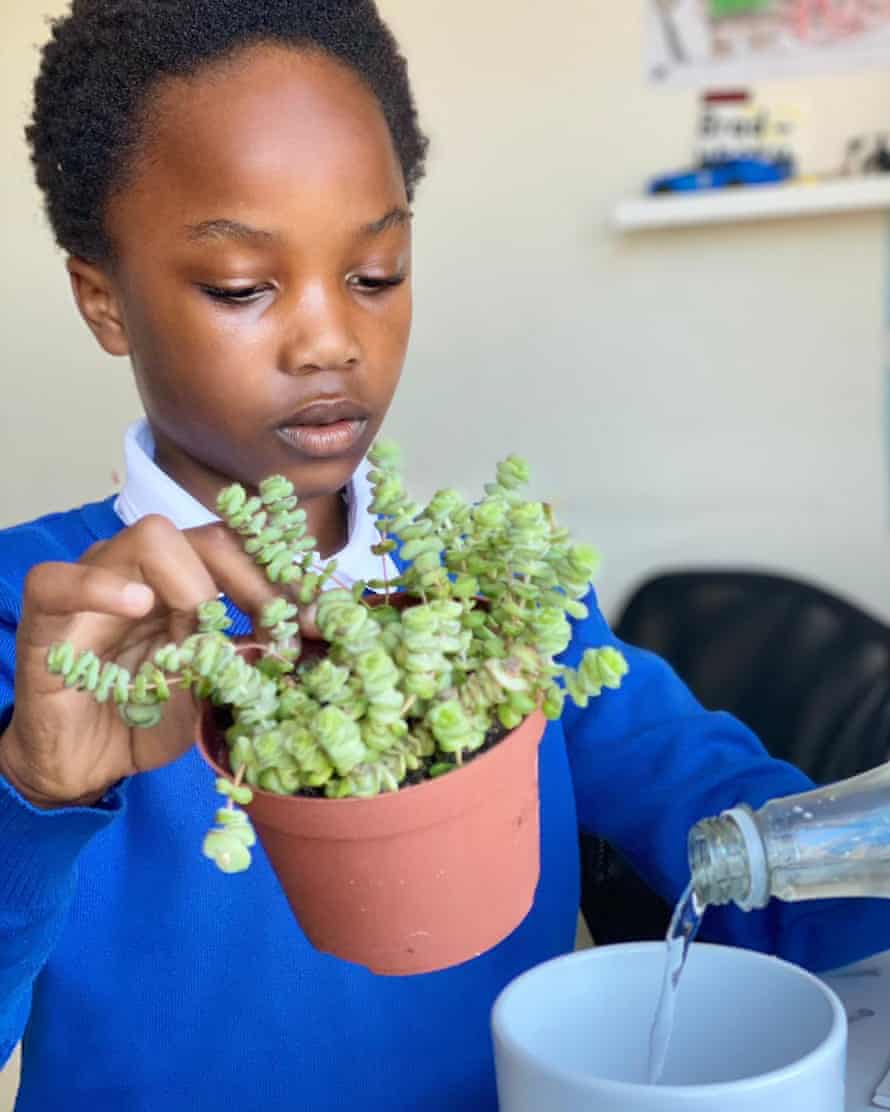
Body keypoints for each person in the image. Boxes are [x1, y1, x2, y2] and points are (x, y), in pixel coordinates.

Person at [1, 3, 887, 1109]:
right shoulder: (39, 629)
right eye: (241, 286)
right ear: (104, 300)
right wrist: (31, 794)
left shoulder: (504, 600)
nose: (331, 340)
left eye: (375, 272)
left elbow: (770, 880)